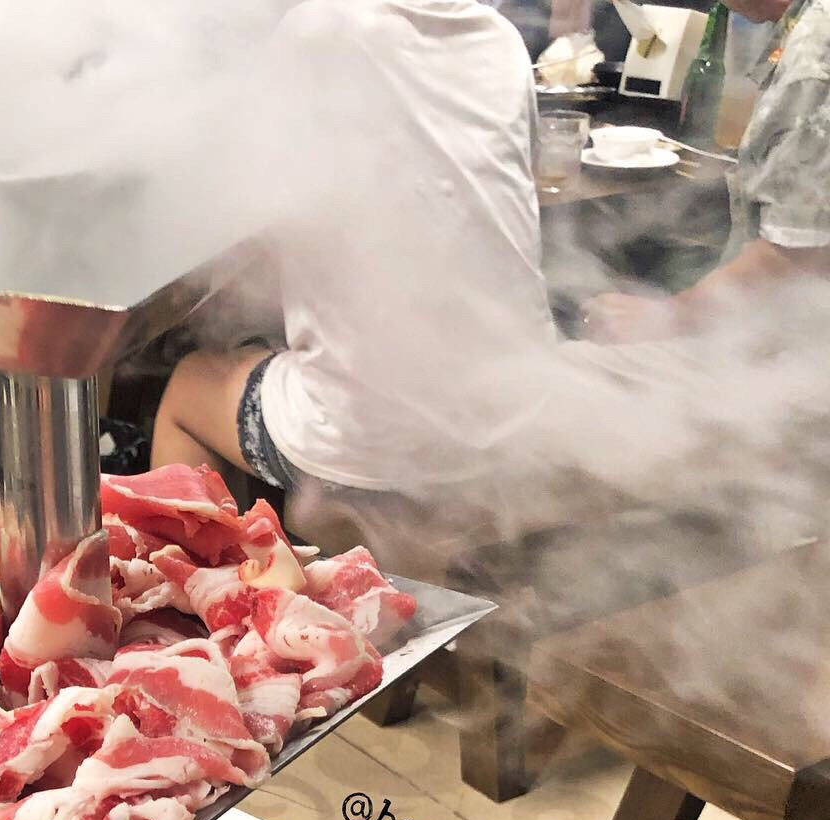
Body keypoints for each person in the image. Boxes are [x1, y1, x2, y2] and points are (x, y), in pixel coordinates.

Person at [149, 0, 556, 530]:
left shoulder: (318, 29)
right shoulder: (499, 38)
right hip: (525, 418)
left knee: (188, 388)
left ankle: (191, 575)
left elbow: (235, 204)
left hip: (374, 450)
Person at [583, 0, 830, 342]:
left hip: (799, 341)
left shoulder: (815, 52)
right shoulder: (804, 26)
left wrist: (672, 316)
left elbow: (794, 256)